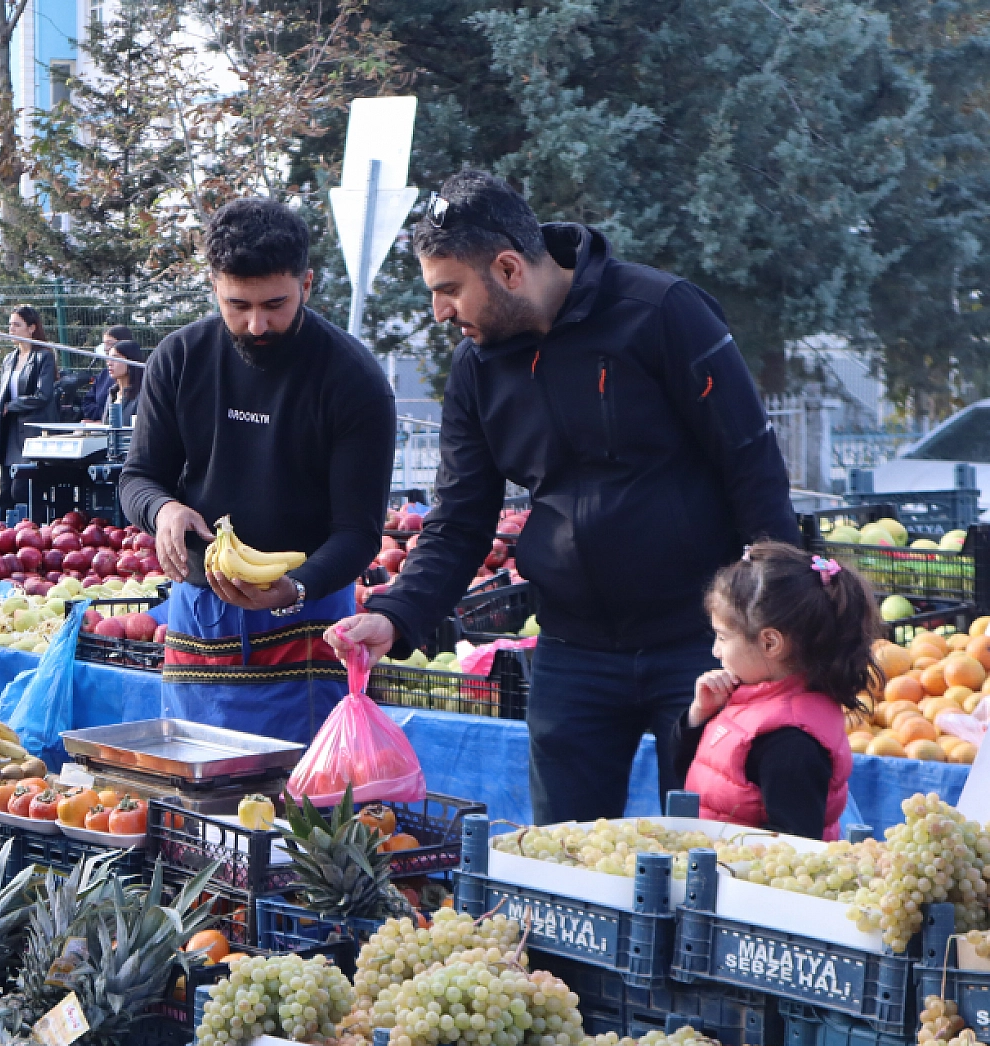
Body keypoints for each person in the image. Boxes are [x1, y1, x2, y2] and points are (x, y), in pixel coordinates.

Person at [329, 170, 798, 825]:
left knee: (712, 850)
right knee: (568, 861)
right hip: (573, 655)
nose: (440, 312)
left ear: (509, 268)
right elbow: (461, 520)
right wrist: (397, 613)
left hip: (701, 647)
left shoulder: (662, 312)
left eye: (448, 290)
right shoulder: (475, 369)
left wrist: (781, 625)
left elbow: (752, 466)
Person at [120, 198, 396, 743]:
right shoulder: (179, 359)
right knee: (194, 804)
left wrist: (294, 588)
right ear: (213, 287)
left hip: (312, 623)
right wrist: (164, 509)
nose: (256, 323)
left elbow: (357, 533)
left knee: (303, 809)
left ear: (308, 285)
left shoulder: (353, 378)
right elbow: (137, 478)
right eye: (237, 304)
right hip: (198, 619)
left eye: (275, 303)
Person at [662, 542, 876, 839]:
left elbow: (792, 846)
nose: (715, 651)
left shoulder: (791, 741)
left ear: (770, 643)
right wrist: (698, 717)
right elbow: (696, 773)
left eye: (722, 638)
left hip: (741, 881)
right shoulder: (753, 698)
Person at [0, 304, 58, 511]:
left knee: (21, 491)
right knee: (5, 493)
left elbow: (43, 395)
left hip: (32, 433)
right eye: (10, 325)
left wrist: (13, 405)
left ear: (32, 328)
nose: (11, 329)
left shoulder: (44, 357)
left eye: (17, 325)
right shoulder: (9, 359)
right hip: (9, 432)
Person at [81, 324, 134, 421]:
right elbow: (87, 403)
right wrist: (103, 418)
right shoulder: (106, 377)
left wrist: (106, 420)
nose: (106, 348)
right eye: (104, 344)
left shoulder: (141, 388)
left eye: (110, 344)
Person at [99, 338, 145, 424]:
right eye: (108, 358)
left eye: (115, 358)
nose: (109, 363)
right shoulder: (113, 392)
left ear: (131, 360)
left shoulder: (143, 395)